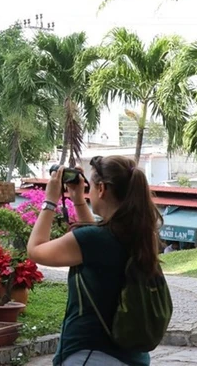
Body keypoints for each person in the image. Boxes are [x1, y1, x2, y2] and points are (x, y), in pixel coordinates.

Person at [27, 156, 163, 366]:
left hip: (91, 354)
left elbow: (36, 250)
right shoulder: (140, 236)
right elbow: (97, 241)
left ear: (101, 189)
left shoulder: (94, 240)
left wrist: (50, 201)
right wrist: (79, 200)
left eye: (90, 186)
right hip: (131, 358)